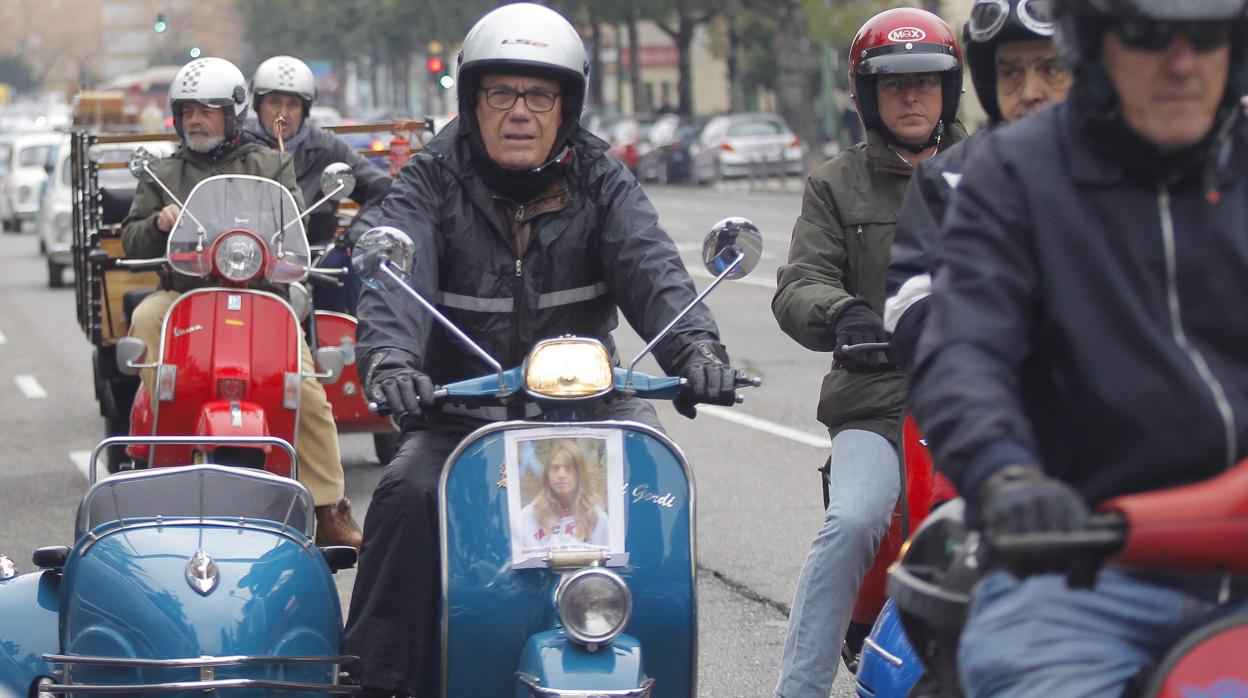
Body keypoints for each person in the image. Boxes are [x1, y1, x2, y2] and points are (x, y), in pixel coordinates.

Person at [343, 4, 745, 696]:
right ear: (473, 102)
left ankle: (662, 670)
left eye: (539, 94)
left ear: (567, 106)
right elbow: (395, 274)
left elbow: (651, 268)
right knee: (407, 494)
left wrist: (697, 349)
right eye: (501, 92)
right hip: (463, 411)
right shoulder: (431, 178)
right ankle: (375, 677)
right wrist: (392, 363)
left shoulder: (601, 178)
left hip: (592, 409)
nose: (519, 112)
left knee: (655, 504)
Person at [909, 0, 1248, 695]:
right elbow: (964, 348)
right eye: (1150, 35)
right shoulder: (1014, 175)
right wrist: (1007, 474)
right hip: (1084, 573)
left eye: (1207, 36)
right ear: (1094, 44)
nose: (1183, 63)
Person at [770, 8, 965, 697]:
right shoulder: (835, 184)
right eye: (894, 85)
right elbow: (799, 284)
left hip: (982, 398)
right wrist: (843, 313)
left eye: (926, 82)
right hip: (877, 402)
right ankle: (799, 688)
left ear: (950, 89)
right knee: (853, 519)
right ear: (866, 96)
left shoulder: (999, 171)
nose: (912, 96)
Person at [121, 56, 363, 549]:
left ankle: (327, 505)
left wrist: (278, 229)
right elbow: (131, 240)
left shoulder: (271, 163)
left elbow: (294, 224)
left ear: (232, 113)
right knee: (146, 315)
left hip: (261, 296)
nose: (196, 120)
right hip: (186, 294)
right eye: (187, 111)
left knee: (307, 385)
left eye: (208, 110)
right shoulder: (165, 171)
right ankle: (166, 431)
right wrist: (159, 224)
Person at [885, 0, 1072, 372]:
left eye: (1051, 69)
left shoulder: (1136, 168)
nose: (1030, 91)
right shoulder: (948, 178)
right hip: (990, 407)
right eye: (1011, 73)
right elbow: (907, 310)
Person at [245, 55, 393, 315]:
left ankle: (348, 349)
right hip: (249, 256)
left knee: (346, 268)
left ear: (305, 109)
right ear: (258, 105)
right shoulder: (242, 145)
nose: (283, 113)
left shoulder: (326, 146)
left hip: (316, 258)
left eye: (293, 104)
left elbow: (381, 189)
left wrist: (357, 234)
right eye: (274, 102)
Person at [519, 440, 609, 549]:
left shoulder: (597, 517)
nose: (561, 475)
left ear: (580, 475)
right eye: (555, 469)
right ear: (547, 475)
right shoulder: (529, 516)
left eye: (568, 469)